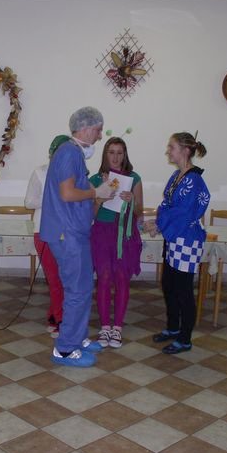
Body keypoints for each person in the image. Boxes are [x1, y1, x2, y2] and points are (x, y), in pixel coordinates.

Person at [40, 106, 114, 367]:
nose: (100, 135)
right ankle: (65, 349)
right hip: (67, 233)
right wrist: (96, 193)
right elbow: (67, 194)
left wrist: (98, 192)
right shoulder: (69, 153)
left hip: (73, 232)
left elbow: (76, 192)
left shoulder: (73, 154)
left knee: (82, 287)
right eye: (98, 130)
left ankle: (78, 338)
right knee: (77, 290)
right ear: (86, 128)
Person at [144, 132, 210, 354]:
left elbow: (184, 212)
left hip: (187, 240)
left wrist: (160, 225)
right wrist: (158, 222)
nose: (168, 151)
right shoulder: (177, 176)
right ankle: (173, 327)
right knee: (169, 285)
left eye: (171, 147)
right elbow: (167, 205)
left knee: (183, 290)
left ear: (185, 150)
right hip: (174, 239)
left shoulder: (194, 180)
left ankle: (185, 338)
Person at [89, 137, 143, 348]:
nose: (115, 157)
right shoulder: (95, 179)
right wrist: (100, 198)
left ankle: (117, 328)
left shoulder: (134, 178)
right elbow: (89, 215)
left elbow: (139, 211)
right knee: (103, 277)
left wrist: (132, 201)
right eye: (111, 152)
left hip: (124, 234)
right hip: (102, 233)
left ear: (125, 155)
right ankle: (104, 327)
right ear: (105, 154)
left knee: (122, 278)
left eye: (120, 152)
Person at [25, 135, 70, 337]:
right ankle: (61, 320)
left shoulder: (72, 175)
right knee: (54, 278)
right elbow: (28, 202)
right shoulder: (40, 173)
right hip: (43, 231)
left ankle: (54, 315)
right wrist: (52, 198)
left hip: (67, 233)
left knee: (64, 277)